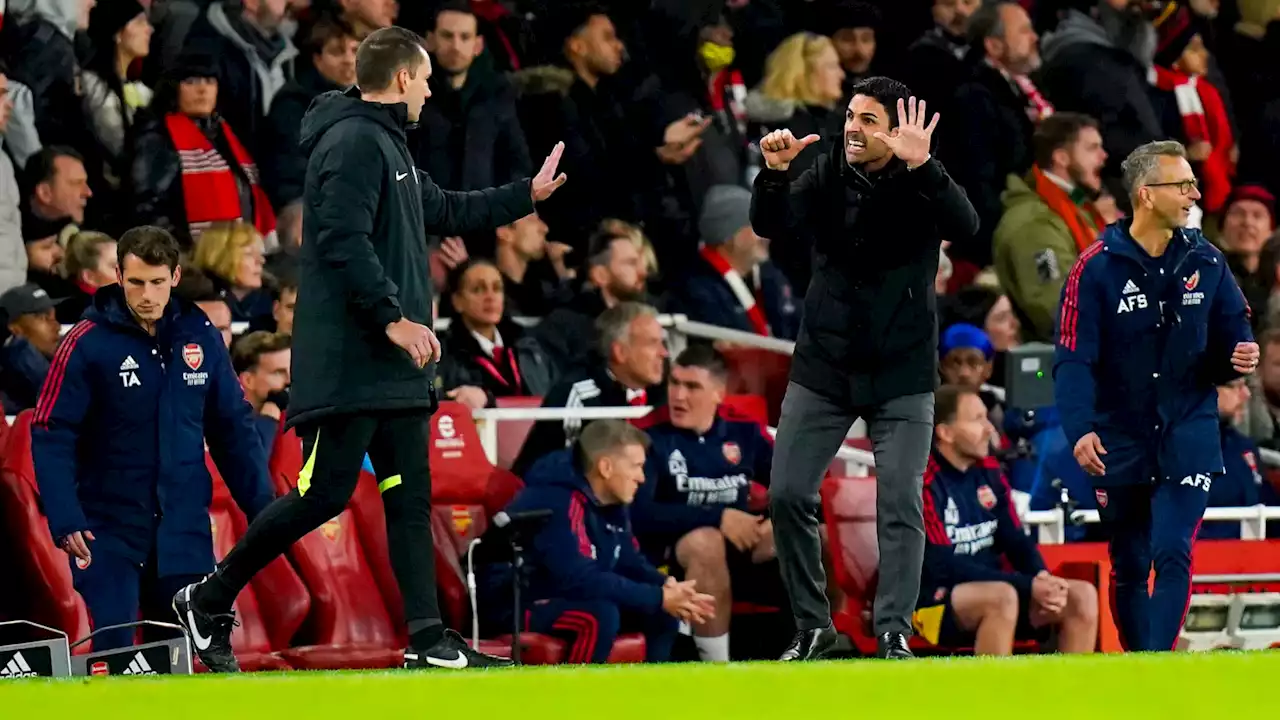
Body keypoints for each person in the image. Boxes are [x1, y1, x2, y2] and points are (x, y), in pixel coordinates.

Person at [173, 26, 568, 673]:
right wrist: (392, 320)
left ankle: (429, 641)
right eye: (427, 78)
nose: (433, 88)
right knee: (323, 494)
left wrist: (526, 195)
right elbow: (340, 240)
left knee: (408, 496)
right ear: (404, 78)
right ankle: (208, 597)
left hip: (394, 372)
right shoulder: (354, 141)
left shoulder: (389, 145)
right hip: (355, 367)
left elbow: (447, 209)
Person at [752, 76, 978, 660]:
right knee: (786, 494)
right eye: (851, 115)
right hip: (824, 368)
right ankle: (813, 627)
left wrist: (925, 166)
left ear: (895, 130)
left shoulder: (922, 182)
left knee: (900, 499)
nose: (853, 127)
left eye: (868, 120)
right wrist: (774, 175)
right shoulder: (827, 171)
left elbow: (968, 226)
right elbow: (770, 224)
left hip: (900, 373)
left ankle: (894, 629)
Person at [31, 225, 274, 651]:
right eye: (137, 281)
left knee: (183, 656)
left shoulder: (199, 335)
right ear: (119, 277)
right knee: (116, 650)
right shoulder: (86, 344)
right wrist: (65, 517)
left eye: (158, 282)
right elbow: (52, 432)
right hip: (107, 530)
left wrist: (264, 511)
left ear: (175, 277)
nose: (147, 294)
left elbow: (232, 427)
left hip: (184, 527)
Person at [1054, 140, 1256, 652]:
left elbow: (1235, 330)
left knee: (1173, 550)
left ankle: (1155, 666)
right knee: (1129, 559)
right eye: (1182, 183)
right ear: (1146, 195)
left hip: (1187, 426)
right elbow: (1074, 359)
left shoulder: (1208, 260)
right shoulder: (1094, 268)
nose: (1193, 192)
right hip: (1119, 433)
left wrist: (1240, 355)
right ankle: (1138, 663)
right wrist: (1080, 431)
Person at [494, 419, 716, 664]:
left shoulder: (610, 500)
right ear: (606, 467)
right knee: (599, 615)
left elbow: (629, 561)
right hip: (515, 603)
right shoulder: (557, 498)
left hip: (563, 595)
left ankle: (649, 696)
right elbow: (578, 578)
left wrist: (668, 588)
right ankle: (580, 699)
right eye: (636, 466)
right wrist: (657, 596)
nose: (642, 477)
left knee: (661, 613)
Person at [917, 385, 1098, 654]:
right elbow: (941, 565)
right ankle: (997, 696)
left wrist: (1042, 578)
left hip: (1000, 589)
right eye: (977, 419)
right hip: (931, 601)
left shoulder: (988, 470)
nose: (990, 428)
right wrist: (1027, 585)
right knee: (1002, 598)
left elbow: (1015, 539)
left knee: (1080, 596)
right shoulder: (924, 482)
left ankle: (1070, 695)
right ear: (945, 432)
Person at [632, 346, 781, 662]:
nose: (679, 395)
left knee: (810, 532)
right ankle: (715, 667)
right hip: (670, 556)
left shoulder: (743, 431)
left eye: (692, 387)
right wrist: (718, 517)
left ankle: (825, 645)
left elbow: (794, 483)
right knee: (706, 542)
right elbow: (639, 514)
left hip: (741, 547)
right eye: (674, 383)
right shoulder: (649, 435)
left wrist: (776, 518)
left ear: (718, 393)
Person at [512, 302, 668, 476]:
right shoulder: (579, 397)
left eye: (662, 343)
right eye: (652, 343)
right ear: (620, 352)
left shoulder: (669, 395)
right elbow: (564, 477)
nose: (664, 353)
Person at [0, 283, 62, 412]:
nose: (57, 327)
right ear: (15, 328)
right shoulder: (9, 387)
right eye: (44, 318)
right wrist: (20, 349)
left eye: (54, 317)